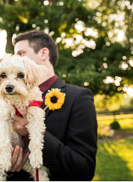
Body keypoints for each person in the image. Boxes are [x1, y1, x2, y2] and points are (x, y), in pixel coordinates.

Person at [6, 30, 97, 180]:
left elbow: (84, 170)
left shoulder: (78, 98)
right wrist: (8, 166)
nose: (15, 60)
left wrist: (31, 132)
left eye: (21, 54)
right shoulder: (9, 99)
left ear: (43, 54)